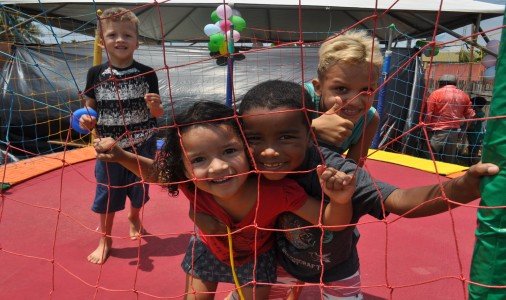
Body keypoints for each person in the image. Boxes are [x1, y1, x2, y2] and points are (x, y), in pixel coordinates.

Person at [235, 79, 498, 299]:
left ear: (309, 134)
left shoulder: (332, 169)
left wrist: (462, 188)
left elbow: (399, 199)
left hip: (337, 268)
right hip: (280, 262)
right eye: (255, 139)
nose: (269, 151)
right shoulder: (243, 168)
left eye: (285, 137)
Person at [94, 101, 355, 299]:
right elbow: (156, 173)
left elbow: (330, 223)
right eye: (198, 160)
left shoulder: (278, 191)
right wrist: (120, 155)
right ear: (183, 169)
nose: (217, 167)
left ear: (248, 150)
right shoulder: (189, 183)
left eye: (229, 151)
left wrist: (340, 201)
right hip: (208, 248)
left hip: (257, 254)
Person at [79, 7, 164, 265]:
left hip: (142, 144)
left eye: (127, 35)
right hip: (109, 149)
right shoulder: (96, 74)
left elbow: (158, 114)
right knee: (107, 194)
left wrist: (154, 105)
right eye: (113, 34)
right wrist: (86, 119)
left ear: (137, 41)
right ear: (103, 41)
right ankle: (105, 238)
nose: (120, 40)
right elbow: (88, 110)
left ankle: (134, 216)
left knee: (139, 189)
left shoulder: (147, 73)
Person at [306, 30, 383, 166]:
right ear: (318, 87)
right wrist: (312, 129)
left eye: (366, 90)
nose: (355, 101)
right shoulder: (302, 97)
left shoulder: (369, 120)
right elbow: (259, 134)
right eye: (341, 89)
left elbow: (353, 170)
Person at [424, 74, 475, 164]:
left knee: (430, 157)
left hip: (437, 132)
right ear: (455, 83)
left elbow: (428, 114)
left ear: (441, 83)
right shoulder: (464, 95)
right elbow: (470, 116)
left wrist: (425, 129)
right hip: (453, 132)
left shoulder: (436, 94)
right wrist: (463, 131)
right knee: (449, 160)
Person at [466, 96, 487, 165]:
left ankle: (473, 165)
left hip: (474, 137)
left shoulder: (476, 115)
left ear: (475, 105)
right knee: (473, 151)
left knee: (473, 153)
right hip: (479, 136)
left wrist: (464, 128)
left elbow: (472, 126)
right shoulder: (482, 114)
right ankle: (471, 164)